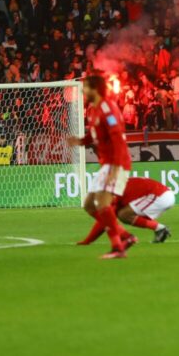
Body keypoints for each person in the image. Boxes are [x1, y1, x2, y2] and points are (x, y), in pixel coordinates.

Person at [66, 75, 136, 259]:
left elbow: (117, 138)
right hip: (106, 164)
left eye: (85, 87)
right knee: (89, 205)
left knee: (103, 203)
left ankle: (118, 247)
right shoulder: (94, 109)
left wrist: (115, 168)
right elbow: (95, 134)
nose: (83, 91)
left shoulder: (107, 107)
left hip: (116, 162)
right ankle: (125, 236)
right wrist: (80, 141)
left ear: (95, 88)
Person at [79, 176, 173, 245]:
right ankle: (160, 229)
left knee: (124, 215)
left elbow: (106, 220)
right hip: (163, 195)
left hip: (160, 196)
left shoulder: (115, 191)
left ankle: (160, 229)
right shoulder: (117, 185)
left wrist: (88, 241)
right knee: (124, 214)